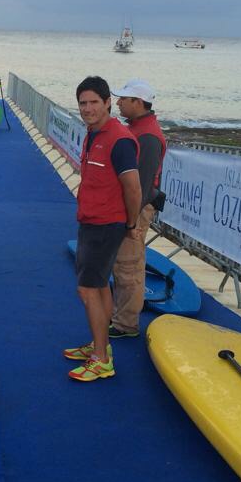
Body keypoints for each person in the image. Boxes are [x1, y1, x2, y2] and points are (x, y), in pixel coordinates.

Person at [63, 76, 141, 382]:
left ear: (108, 102)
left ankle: (101, 359)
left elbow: (132, 188)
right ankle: (101, 344)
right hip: (91, 220)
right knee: (99, 286)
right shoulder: (93, 132)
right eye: (83, 103)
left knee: (87, 289)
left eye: (94, 102)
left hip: (106, 225)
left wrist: (131, 224)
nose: (87, 109)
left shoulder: (119, 139)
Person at [107, 80, 168, 339]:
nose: (118, 103)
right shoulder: (138, 128)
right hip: (131, 207)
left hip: (136, 209)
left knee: (128, 265)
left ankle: (126, 323)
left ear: (139, 102)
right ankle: (121, 315)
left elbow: (140, 186)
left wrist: (130, 221)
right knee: (126, 263)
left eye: (124, 99)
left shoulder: (148, 137)